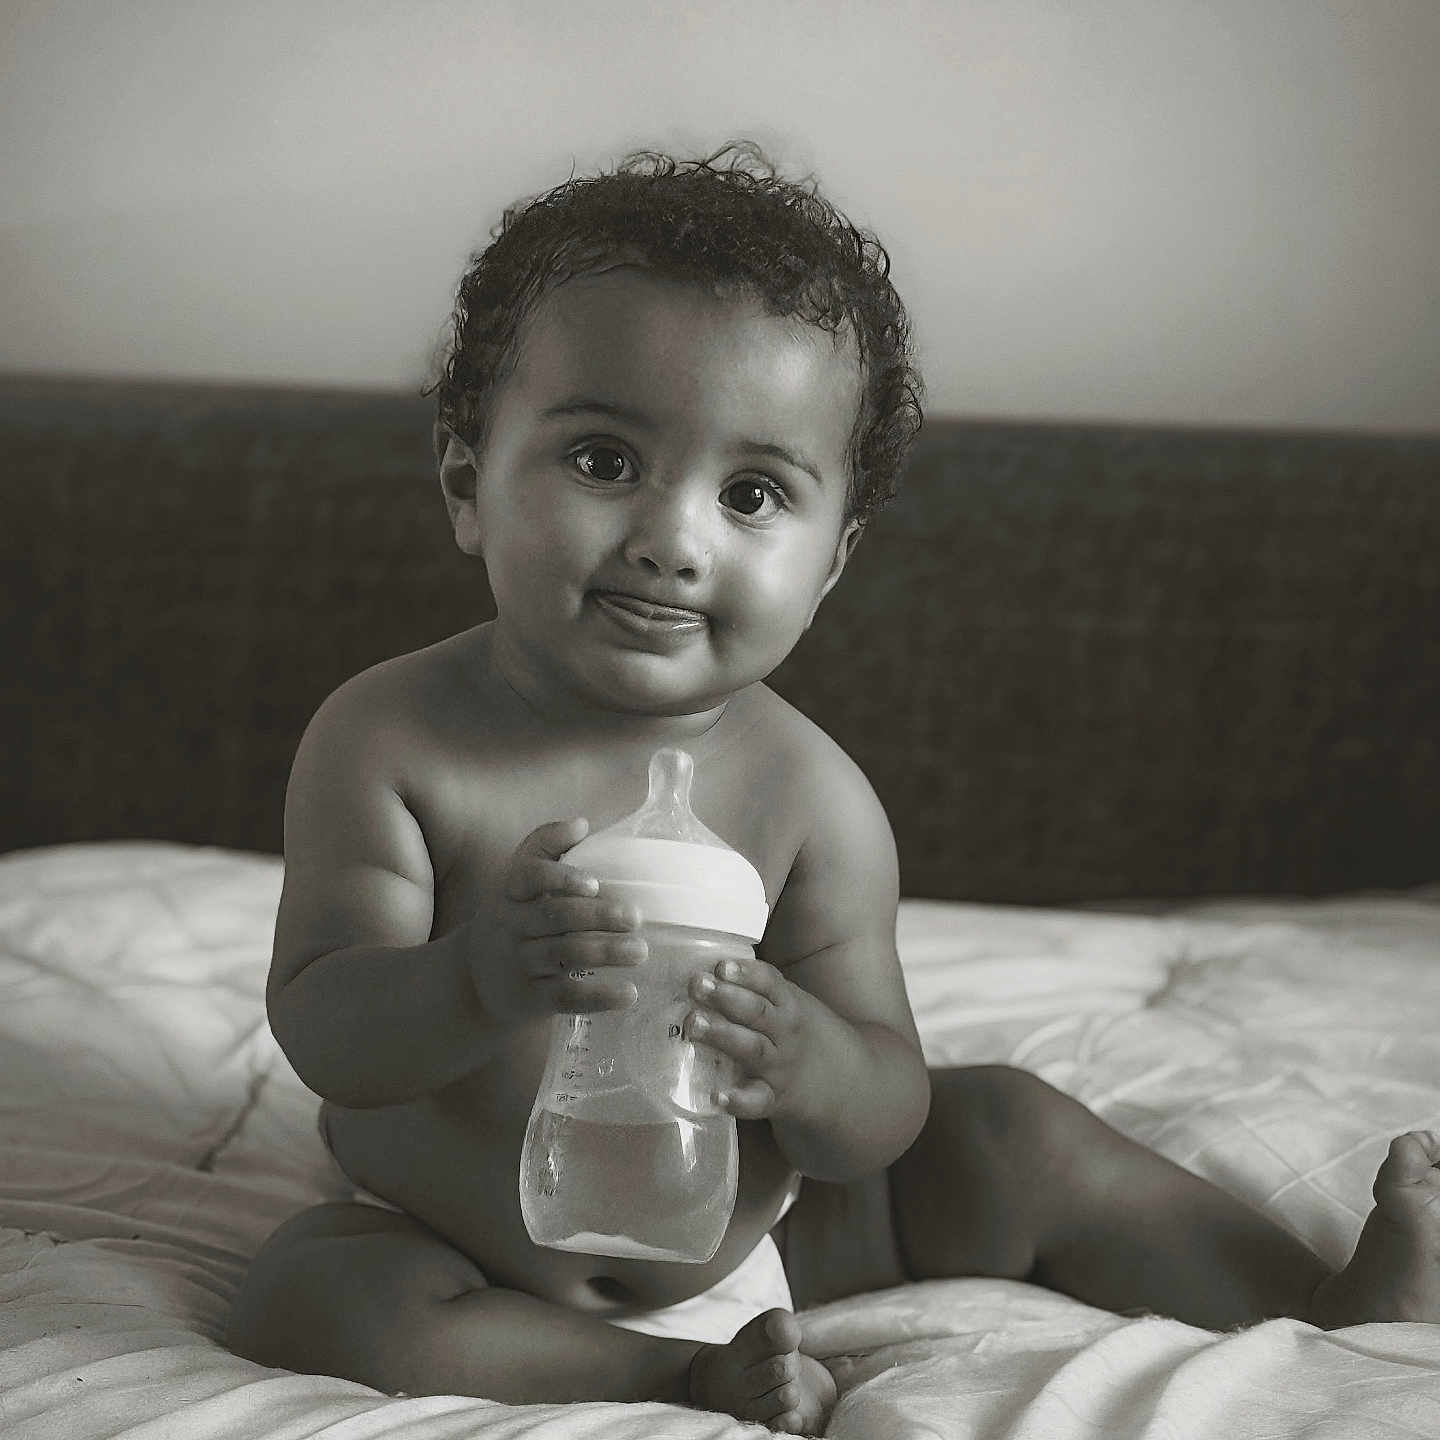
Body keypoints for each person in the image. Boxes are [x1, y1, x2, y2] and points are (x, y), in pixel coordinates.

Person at [227, 142, 1440, 1435]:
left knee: (1010, 1131)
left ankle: (1333, 1300)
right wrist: (477, 977)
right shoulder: (390, 742)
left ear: (833, 560)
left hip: (770, 1233)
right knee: (312, 1300)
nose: (672, 537)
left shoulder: (813, 798)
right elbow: (326, 1030)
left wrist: (809, 1066)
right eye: (602, 462)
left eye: (752, 493)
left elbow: (884, 1107)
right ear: (470, 482)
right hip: (452, 1238)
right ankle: (672, 1380)